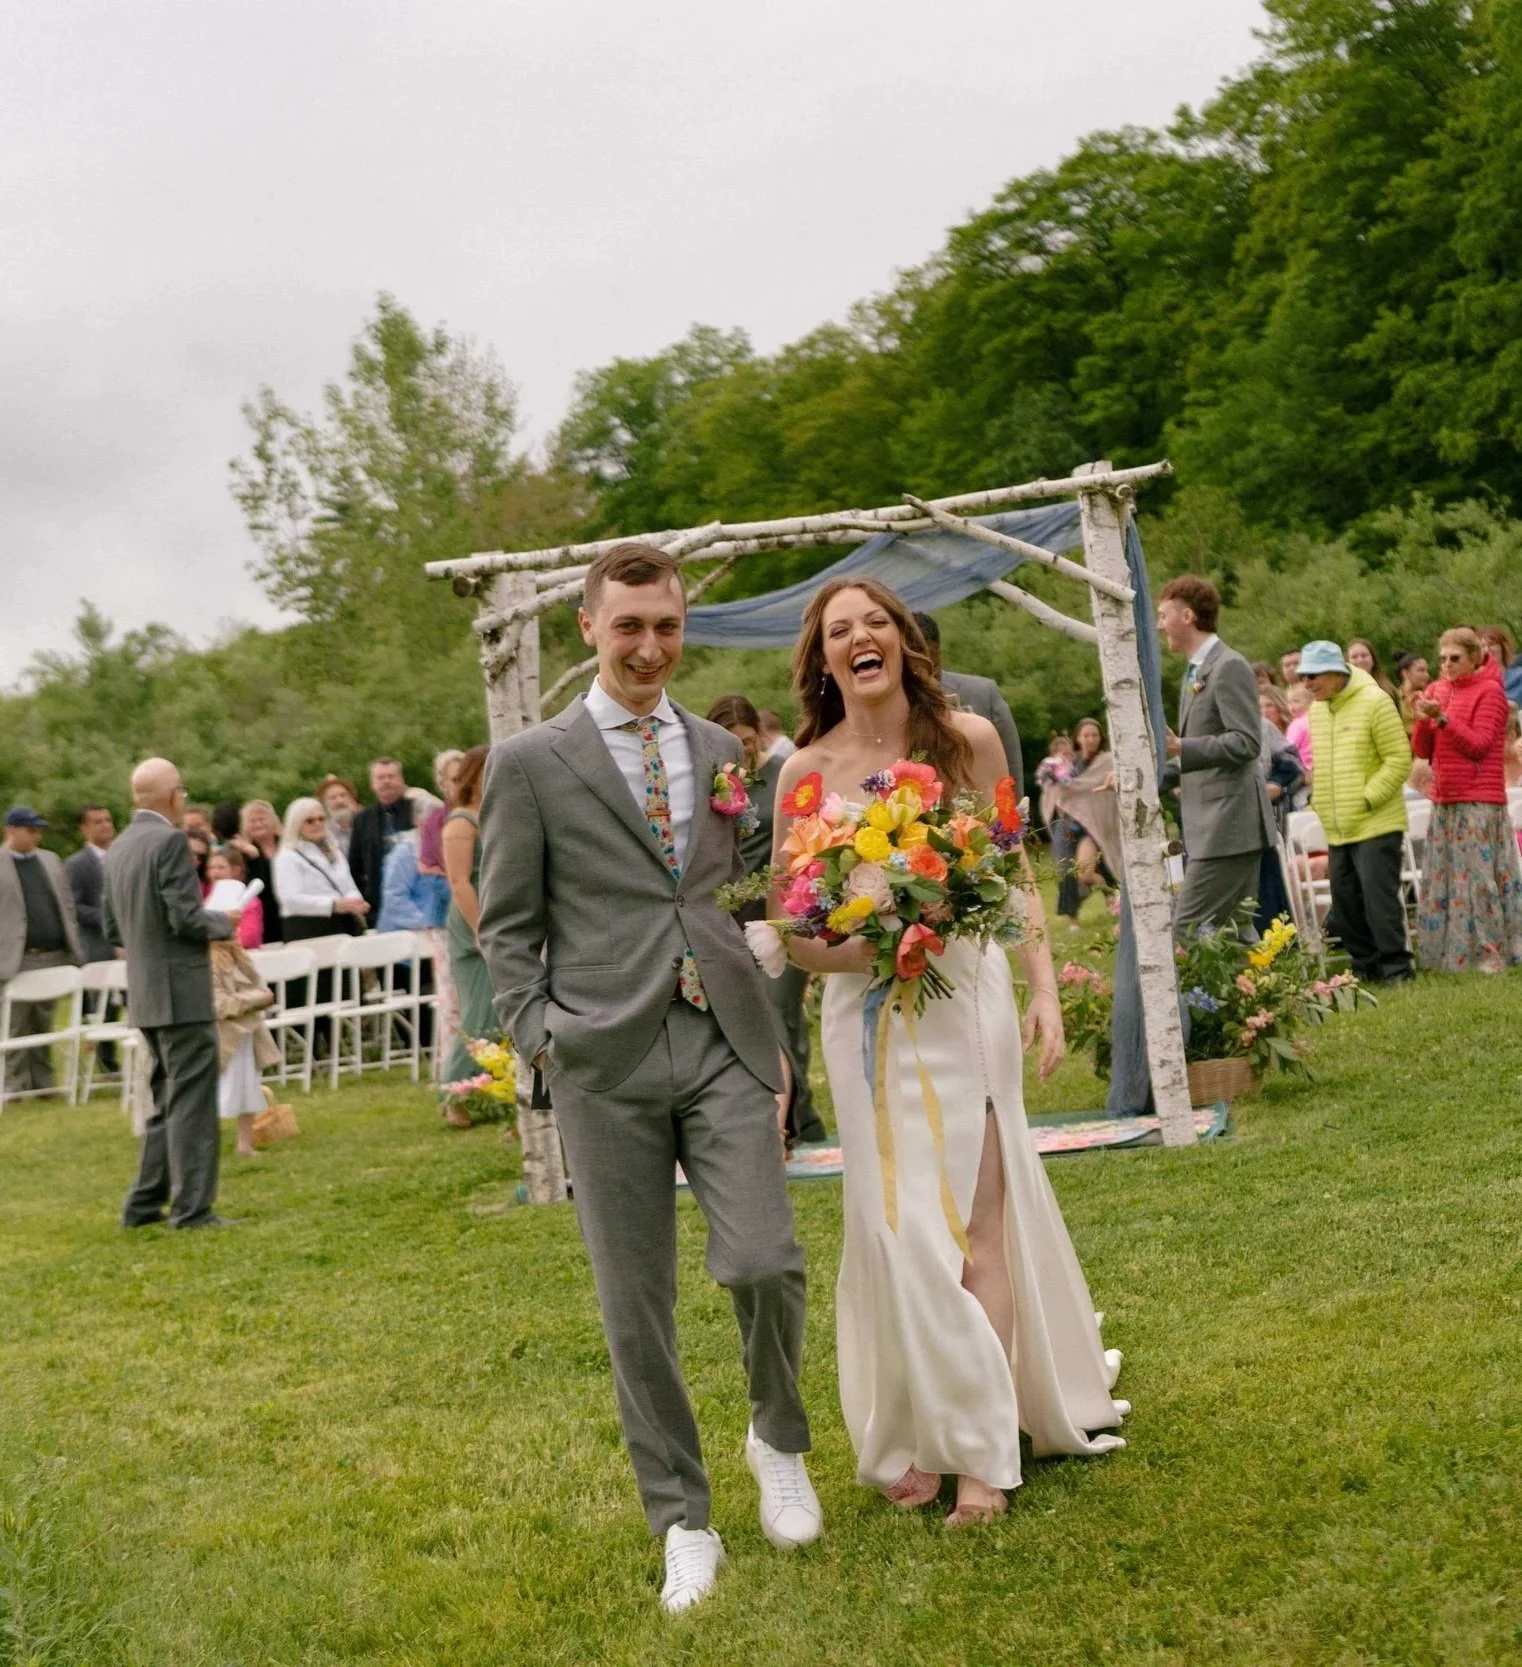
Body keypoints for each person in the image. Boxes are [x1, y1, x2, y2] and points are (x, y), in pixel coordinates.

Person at [478, 542, 816, 1614]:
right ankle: (683, 1517)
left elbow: (750, 883)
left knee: (764, 1258)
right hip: (602, 1056)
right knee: (637, 1306)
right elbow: (508, 922)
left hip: (721, 1037)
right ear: (589, 628)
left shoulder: (720, 746)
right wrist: (546, 1036)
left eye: (666, 626)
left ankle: (778, 1433)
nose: (649, 646)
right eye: (628, 626)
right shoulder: (532, 761)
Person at [772, 577, 1126, 1532]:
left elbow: (1010, 868)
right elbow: (790, 927)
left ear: (902, 639)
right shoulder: (804, 771)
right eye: (839, 629)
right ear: (824, 658)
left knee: (977, 1227)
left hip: (962, 999)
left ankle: (981, 1458)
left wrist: (1044, 987)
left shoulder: (967, 741)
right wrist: (866, 945)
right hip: (860, 1018)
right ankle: (923, 1429)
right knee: (892, 1229)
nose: (859, 638)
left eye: (873, 621)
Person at [104, 759, 238, 1229]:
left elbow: (109, 925)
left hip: (144, 990)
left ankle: (143, 1205)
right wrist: (225, 922)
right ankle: (193, 1209)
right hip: (180, 990)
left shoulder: (119, 846)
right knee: (193, 1103)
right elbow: (185, 917)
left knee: (166, 1099)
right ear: (173, 795)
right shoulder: (167, 842)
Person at [705, 694, 825, 1146]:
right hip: (728, 923)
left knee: (780, 1015)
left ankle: (781, 1128)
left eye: (750, 742)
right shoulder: (710, 786)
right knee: (766, 1024)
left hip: (785, 918)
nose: (743, 753)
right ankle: (802, 1121)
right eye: (733, 744)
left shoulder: (785, 776)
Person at [1158, 576, 1275, 938]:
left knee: (1185, 931)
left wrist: (1183, 747)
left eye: (1164, 615)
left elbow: (1246, 743)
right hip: (1213, 826)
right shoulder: (1194, 671)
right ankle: (1270, 996)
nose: (1160, 624)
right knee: (1233, 937)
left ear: (1188, 616)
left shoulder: (1228, 666)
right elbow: (1200, 751)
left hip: (1228, 827)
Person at [1299, 641, 1413, 983]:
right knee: (1345, 904)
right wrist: (1320, 800)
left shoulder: (1375, 701)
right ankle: (1366, 968)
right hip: (1338, 825)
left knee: (1380, 902)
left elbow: (1398, 759)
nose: (1307, 683)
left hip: (1377, 821)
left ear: (1337, 673)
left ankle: (1396, 969)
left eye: (1314, 675)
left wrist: (1367, 798)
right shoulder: (1317, 711)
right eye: (1304, 675)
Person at [1410, 627, 1522, 972]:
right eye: (1442, 658)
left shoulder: (1490, 692)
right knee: (1446, 879)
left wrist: (1442, 719)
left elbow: (1479, 745)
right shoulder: (1436, 690)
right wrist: (1423, 723)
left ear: (1475, 658)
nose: (1446, 665)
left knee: (1479, 879)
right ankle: (1448, 957)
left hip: (1479, 798)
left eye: (1455, 658)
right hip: (1445, 797)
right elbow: (1421, 751)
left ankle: (1491, 954)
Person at [0, 806, 83, 1096]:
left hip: (51, 955)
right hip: (16, 958)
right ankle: (15, 1086)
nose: (36, 836)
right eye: (30, 830)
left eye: (38, 831)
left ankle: (45, 1084)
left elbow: (65, 903)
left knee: (44, 1022)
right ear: (11, 830)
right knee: (15, 1025)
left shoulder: (50, 860)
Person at [439, 746, 496, 1118]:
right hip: (472, 919)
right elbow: (460, 882)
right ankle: (454, 1097)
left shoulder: (491, 814)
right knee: (479, 1011)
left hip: (495, 912)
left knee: (497, 1012)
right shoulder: (461, 822)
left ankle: (486, 1093)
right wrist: (481, 930)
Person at [911, 612, 1024, 799]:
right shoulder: (891, 702)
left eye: (923, 651)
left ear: (936, 649)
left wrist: (1017, 817)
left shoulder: (982, 693)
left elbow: (1011, 766)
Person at [210, 932, 278, 1158]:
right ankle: (207, 1146)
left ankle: (245, 1144)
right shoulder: (207, 963)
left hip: (248, 1031)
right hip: (224, 1036)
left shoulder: (241, 959)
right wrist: (257, 999)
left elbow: (261, 989)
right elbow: (220, 1005)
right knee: (218, 1091)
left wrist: (260, 998)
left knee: (248, 1086)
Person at [67, 803, 122, 1069]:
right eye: (98, 821)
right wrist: (108, 919)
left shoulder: (122, 857)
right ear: (85, 828)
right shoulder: (77, 865)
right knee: (103, 1008)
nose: (105, 825)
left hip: (130, 943)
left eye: (108, 820)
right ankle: (106, 1061)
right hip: (97, 944)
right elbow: (73, 906)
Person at [272, 799, 368, 940]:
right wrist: (333, 904)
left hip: (344, 922)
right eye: (309, 821)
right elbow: (290, 899)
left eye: (321, 819)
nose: (317, 824)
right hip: (308, 927)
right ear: (297, 824)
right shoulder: (287, 856)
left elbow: (348, 885)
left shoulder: (334, 851)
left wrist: (355, 901)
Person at [1051, 718, 1112, 924]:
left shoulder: (1106, 762)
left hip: (1092, 826)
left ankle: (1111, 895)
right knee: (1065, 870)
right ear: (1078, 738)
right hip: (1068, 824)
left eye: (1094, 735)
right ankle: (1073, 921)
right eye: (1086, 735)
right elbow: (1055, 789)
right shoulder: (1069, 764)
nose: (1091, 739)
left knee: (1086, 874)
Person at [348, 758, 415, 919]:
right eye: (381, 777)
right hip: (378, 907)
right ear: (372, 784)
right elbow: (354, 865)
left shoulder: (418, 810)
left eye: (391, 776)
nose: (387, 781)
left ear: (402, 780)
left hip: (417, 900)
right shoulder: (362, 819)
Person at [232, 801, 284, 945]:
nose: (258, 824)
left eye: (262, 819)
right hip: (264, 918)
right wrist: (255, 857)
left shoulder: (287, 845)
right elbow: (256, 888)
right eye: (252, 821)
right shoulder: (242, 853)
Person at [205, 847, 263, 948]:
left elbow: (249, 937)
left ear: (236, 870)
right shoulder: (205, 898)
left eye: (221, 867)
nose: (215, 872)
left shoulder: (250, 901)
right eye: (211, 868)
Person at [315, 775, 362, 860]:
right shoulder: (322, 833)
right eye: (333, 798)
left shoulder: (368, 825)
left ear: (352, 799)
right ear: (324, 805)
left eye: (343, 795)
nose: (339, 801)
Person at [1347, 639, 1400, 705]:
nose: (1360, 660)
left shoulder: (1387, 690)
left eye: (1364, 655)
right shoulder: (1343, 691)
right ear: (1347, 662)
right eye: (1354, 657)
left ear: (1373, 660)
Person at [1395, 653, 1431, 733]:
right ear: (1405, 673)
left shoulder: (1430, 697)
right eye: (1421, 670)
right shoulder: (1394, 697)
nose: (1427, 675)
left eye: (1427, 671)